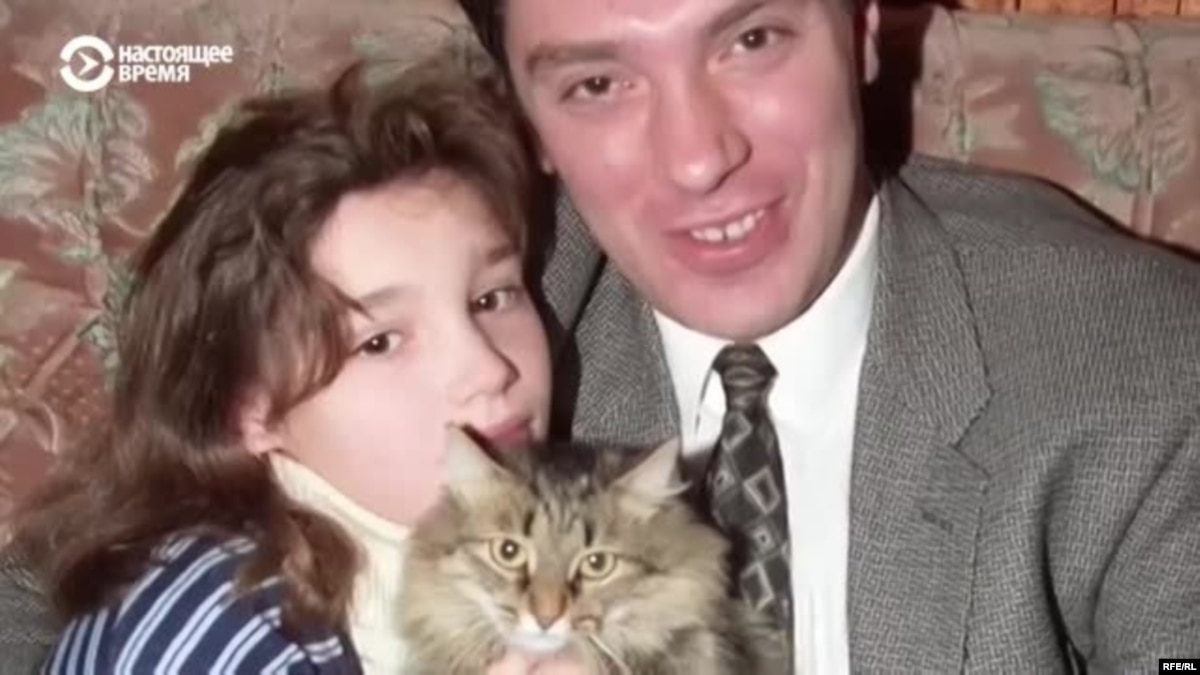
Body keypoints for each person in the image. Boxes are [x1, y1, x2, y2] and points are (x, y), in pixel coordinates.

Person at [451, 0, 1200, 672]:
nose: (698, 160)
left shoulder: (1141, 359)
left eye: (752, 39)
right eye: (597, 84)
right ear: (528, 123)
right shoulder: (457, 356)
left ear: (862, 27)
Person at [0, 45, 576, 673]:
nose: (489, 369)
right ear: (251, 408)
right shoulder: (216, 623)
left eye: (492, 298)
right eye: (379, 342)